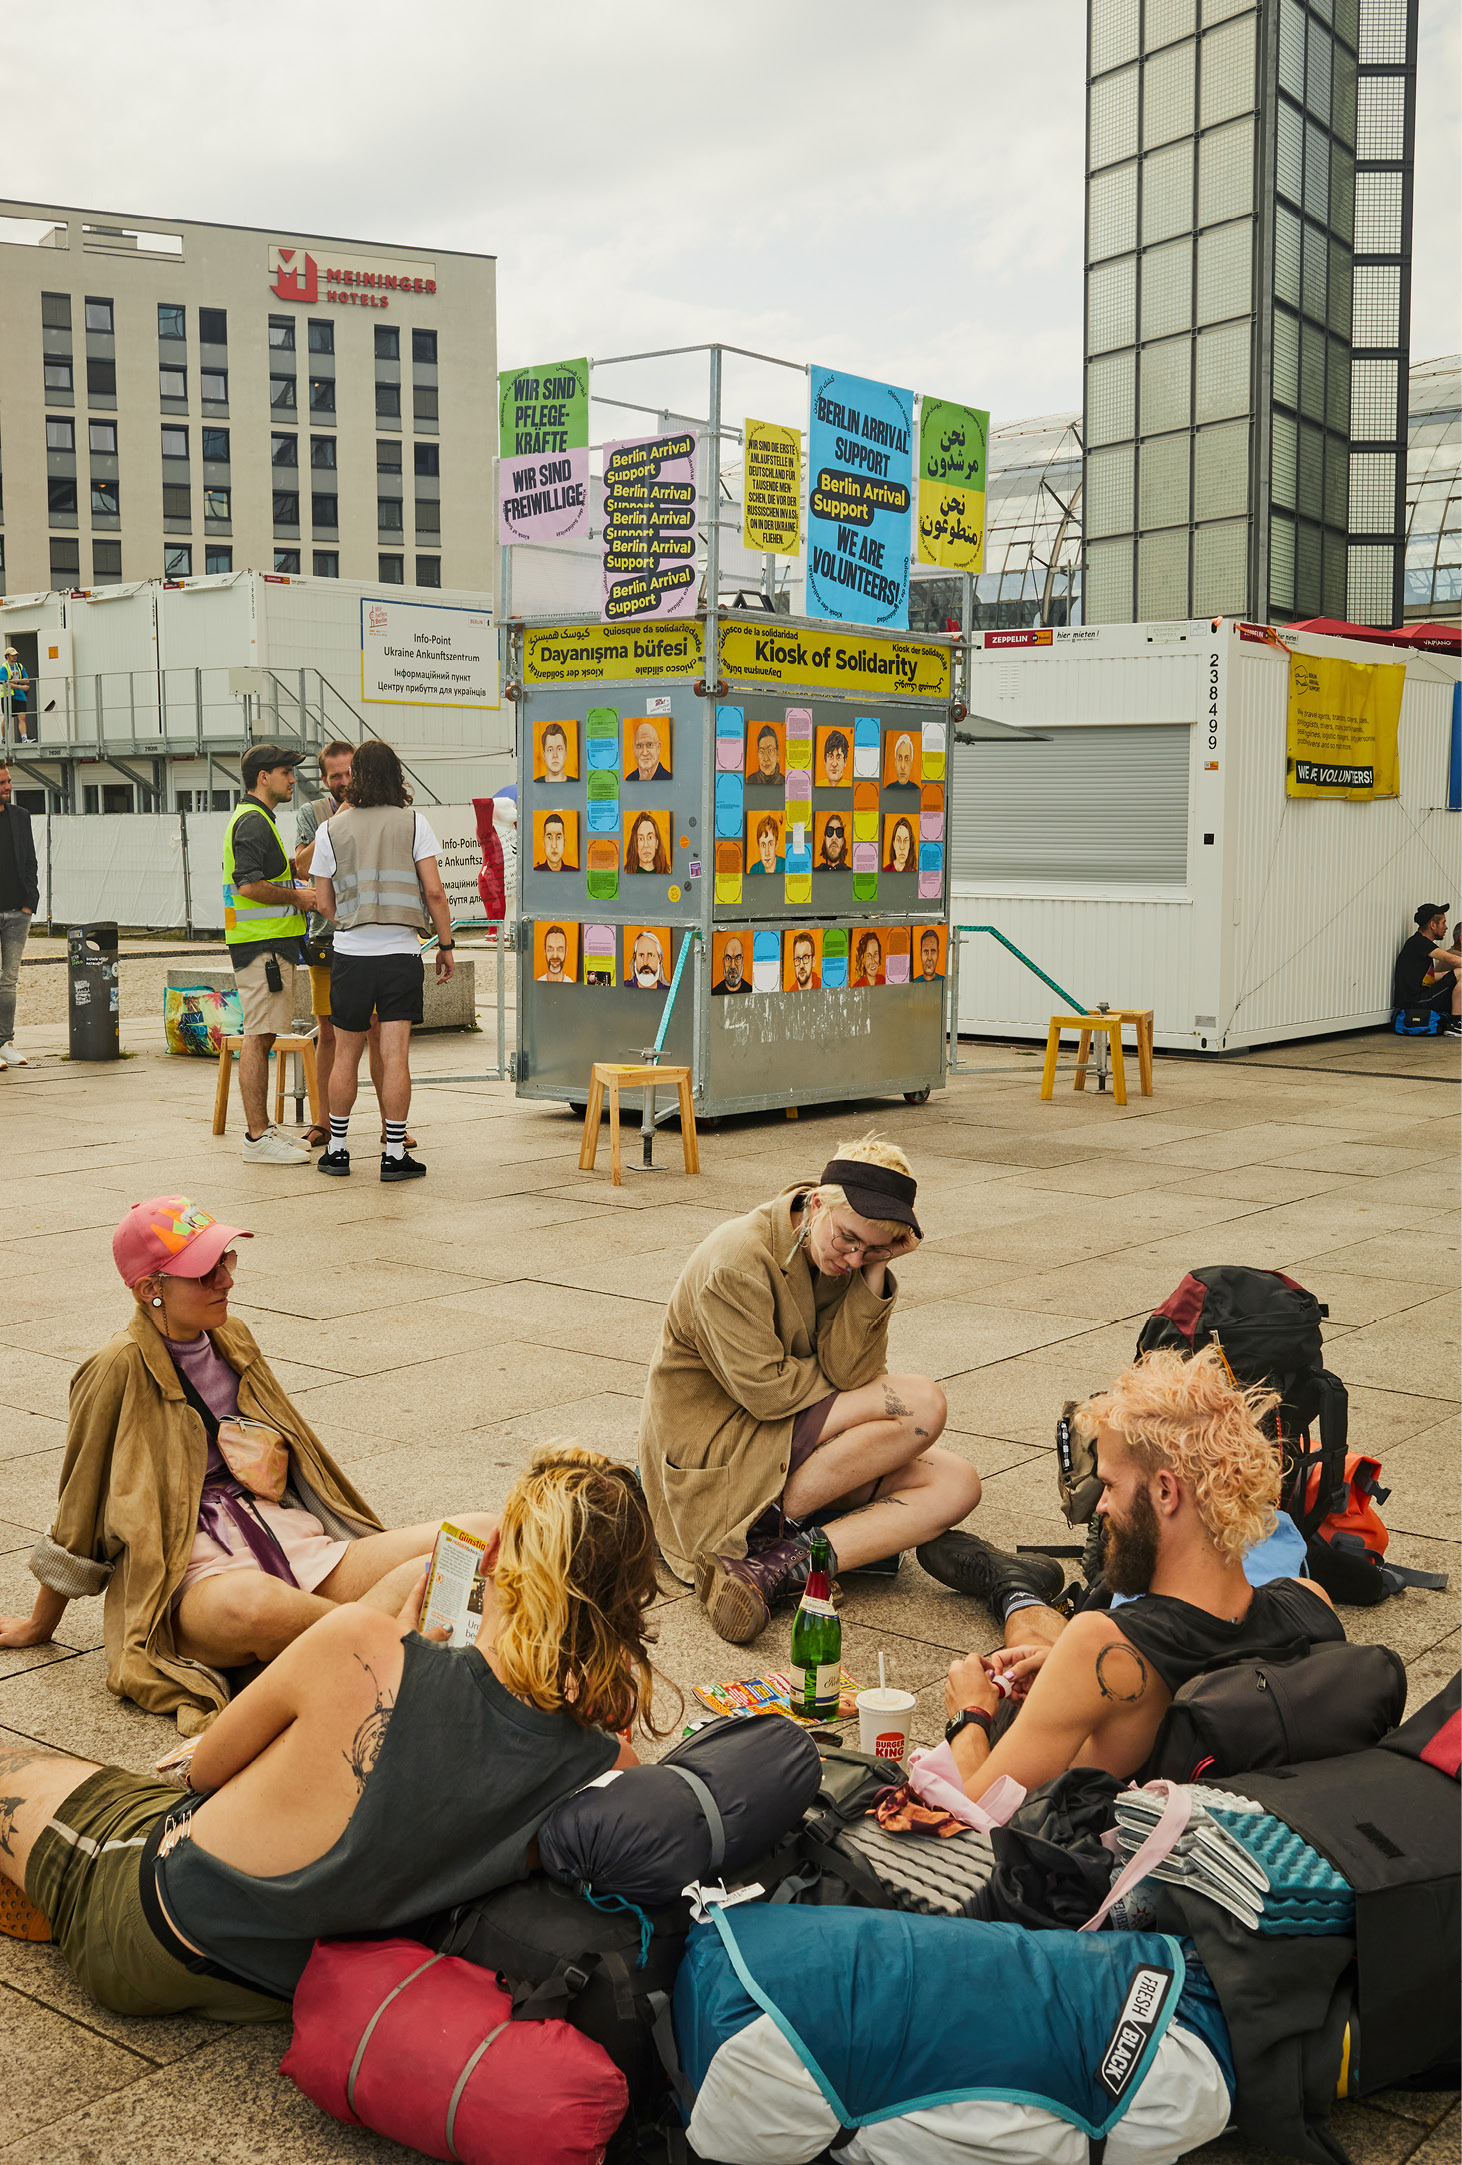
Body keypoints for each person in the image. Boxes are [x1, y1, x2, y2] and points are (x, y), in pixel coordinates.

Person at [0, 1446, 659, 2015]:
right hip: (282, 1980)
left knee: (34, 1776)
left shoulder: (362, 1641)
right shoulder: (609, 1762)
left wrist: (400, 1656)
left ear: (490, 1554)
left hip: (160, 1924)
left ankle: (57, 1882)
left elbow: (202, 1773)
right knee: (110, 1790)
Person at [0, 1197, 503, 1735]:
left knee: (477, 1532)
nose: (226, 1280)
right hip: (191, 1577)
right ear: (152, 1290)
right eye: (205, 1271)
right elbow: (79, 1505)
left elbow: (296, 1452)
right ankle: (418, 1651)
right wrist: (40, 1624)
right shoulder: (115, 1368)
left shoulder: (232, 1337)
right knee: (256, 1605)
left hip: (287, 1540)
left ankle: (399, 1647)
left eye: (227, 1262)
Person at [640, 1138, 1012, 1646]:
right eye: (847, 1239)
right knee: (921, 1405)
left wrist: (877, 1270)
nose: (852, 1257)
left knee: (957, 1482)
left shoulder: (846, 1257)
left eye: (872, 1248)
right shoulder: (736, 1259)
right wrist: (851, 1386)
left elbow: (853, 1370)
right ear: (817, 1202)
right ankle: (758, 1532)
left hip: (781, 1438)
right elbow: (770, 1393)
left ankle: (772, 1568)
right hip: (721, 1453)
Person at [932, 1347, 1344, 1805]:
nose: (1102, 1506)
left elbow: (975, 1810)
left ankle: (1013, 1589)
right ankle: (1015, 1588)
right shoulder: (1309, 1603)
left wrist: (968, 1715)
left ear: (1166, 1491)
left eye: (1109, 1485)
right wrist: (1064, 1667)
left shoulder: (1101, 1643)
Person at [310, 739, 454, 1184]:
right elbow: (434, 891)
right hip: (399, 954)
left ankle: (337, 1150)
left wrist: (351, 921)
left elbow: (322, 900)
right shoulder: (413, 823)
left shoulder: (331, 829)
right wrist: (446, 944)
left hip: (351, 954)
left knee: (345, 1055)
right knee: (395, 1055)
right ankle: (394, 1154)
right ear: (396, 775)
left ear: (353, 777)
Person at [292, 739, 410, 1154]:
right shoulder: (314, 815)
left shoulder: (386, 814)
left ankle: (388, 1124)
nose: (343, 782)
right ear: (325, 780)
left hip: (368, 939)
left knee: (381, 1034)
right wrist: (340, 818)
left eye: (349, 774)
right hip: (329, 938)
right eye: (335, 776)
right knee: (331, 1034)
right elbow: (301, 867)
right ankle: (324, 1124)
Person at [221, 744, 316, 1166]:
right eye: (285, 772)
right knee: (259, 1038)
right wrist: (300, 898)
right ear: (263, 776)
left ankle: (264, 1131)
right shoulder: (253, 822)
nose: (293, 779)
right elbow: (248, 885)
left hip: (269, 945)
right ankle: (258, 1137)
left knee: (265, 1034)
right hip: (261, 947)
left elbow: (280, 872)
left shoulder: (260, 820)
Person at [0, 761, 39, 1070]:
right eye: (2, 782)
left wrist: (29, 902)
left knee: (9, 980)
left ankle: (5, 1043)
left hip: (17, 912)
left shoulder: (20, 817)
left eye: (8, 780)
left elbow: (30, 861)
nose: (7, 786)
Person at [1393, 902, 1461, 1033]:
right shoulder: (1419, 942)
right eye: (1443, 923)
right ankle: (1457, 1023)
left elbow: (1430, 978)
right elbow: (1453, 959)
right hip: (1415, 1003)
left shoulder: (1419, 944)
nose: (1446, 927)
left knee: (1458, 973)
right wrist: (1456, 974)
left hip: (1421, 999)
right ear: (1433, 925)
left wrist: (1451, 975)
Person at [2, 647, 30, 742]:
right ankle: (3, 739)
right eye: (12, 655)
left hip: (20, 695)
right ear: (7, 656)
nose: (15, 657)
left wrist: (17, 681)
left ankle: (24, 738)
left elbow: (27, 679)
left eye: (16, 655)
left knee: (22, 716)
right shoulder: (3, 668)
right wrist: (21, 687)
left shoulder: (20, 666)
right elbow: (5, 683)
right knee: (7, 717)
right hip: (8, 695)